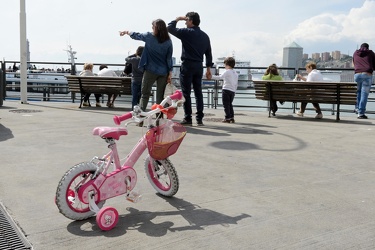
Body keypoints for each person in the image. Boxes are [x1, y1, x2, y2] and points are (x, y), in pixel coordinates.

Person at [168, 12, 213, 126]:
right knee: (199, 93)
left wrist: (177, 18)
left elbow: (169, 28)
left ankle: (188, 118)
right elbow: (208, 54)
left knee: (186, 93)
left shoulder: (186, 32)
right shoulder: (205, 36)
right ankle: (199, 119)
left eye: (186, 20)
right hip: (199, 66)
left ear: (191, 21)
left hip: (187, 65)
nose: (185, 22)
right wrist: (208, 69)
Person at [119, 19, 173, 113]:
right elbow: (169, 59)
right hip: (163, 72)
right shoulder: (168, 41)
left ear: (156, 28)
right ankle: (159, 119)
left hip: (150, 70)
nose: (152, 29)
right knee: (160, 97)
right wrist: (170, 73)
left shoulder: (149, 36)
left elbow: (137, 35)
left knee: (145, 95)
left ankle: (141, 117)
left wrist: (127, 32)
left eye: (153, 27)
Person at [211, 57, 238, 123]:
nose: (224, 66)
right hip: (233, 91)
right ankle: (232, 117)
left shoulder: (227, 71)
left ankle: (227, 118)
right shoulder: (235, 73)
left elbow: (220, 77)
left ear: (227, 64)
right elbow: (236, 83)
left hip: (226, 89)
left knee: (226, 104)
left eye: (224, 64)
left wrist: (211, 76)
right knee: (230, 104)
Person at [352, 43, 375, 119]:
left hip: (357, 74)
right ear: (367, 47)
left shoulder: (355, 53)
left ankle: (357, 108)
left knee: (358, 92)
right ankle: (361, 113)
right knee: (364, 94)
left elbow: (354, 63)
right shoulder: (370, 53)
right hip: (367, 74)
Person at [125, 46, 145, 110]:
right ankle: (140, 108)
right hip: (143, 79)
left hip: (135, 79)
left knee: (134, 96)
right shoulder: (145, 60)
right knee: (141, 95)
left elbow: (126, 59)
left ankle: (133, 109)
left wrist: (134, 54)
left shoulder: (134, 59)